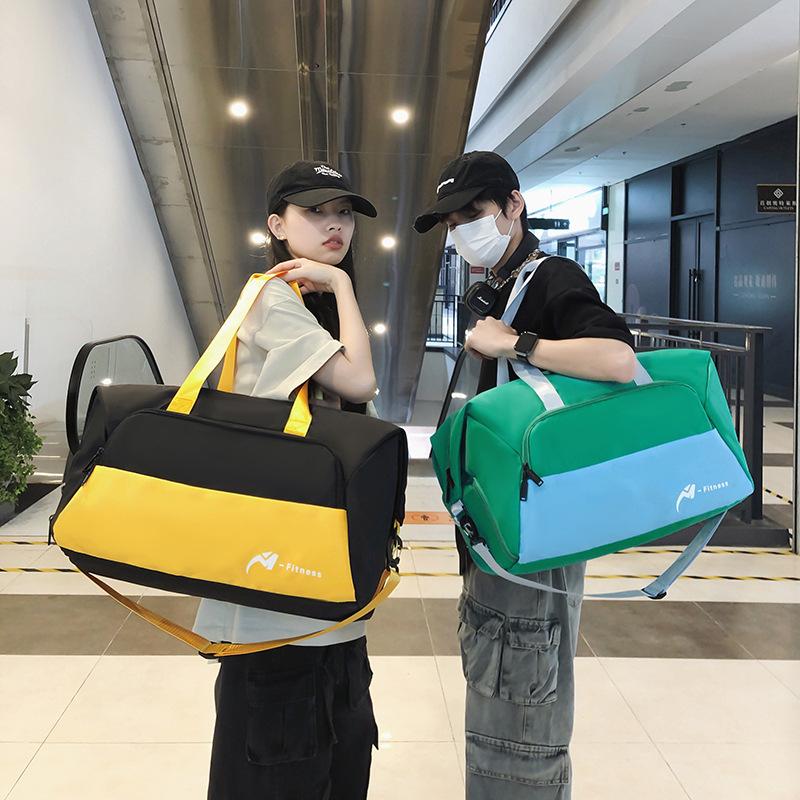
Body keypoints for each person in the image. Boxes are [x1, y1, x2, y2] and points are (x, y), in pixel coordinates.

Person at [414, 151, 637, 799]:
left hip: (536, 530)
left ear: (514, 205)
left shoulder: (550, 277)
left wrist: (515, 343)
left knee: (519, 718)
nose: (461, 232)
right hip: (501, 524)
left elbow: (618, 360)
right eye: (451, 223)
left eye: (473, 214)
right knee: (500, 697)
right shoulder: (496, 285)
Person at [194, 160, 381, 800]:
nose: (335, 225)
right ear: (277, 226)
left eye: (344, 213)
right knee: (281, 757)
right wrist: (344, 286)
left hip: (308, 568)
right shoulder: (274, 298)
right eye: (314, 212)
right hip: (278, 576)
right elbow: (360, 381)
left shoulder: (309, 303)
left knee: (324, 746)